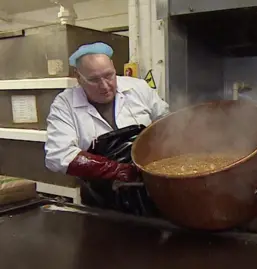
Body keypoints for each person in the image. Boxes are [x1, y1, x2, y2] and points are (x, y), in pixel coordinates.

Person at [44, 42, 169, 215]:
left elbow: (166, 122)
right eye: (94, 80)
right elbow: (58, 155)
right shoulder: (65, 104)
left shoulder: (138, 88)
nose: (104, 86)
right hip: (101, 203)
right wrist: (120, 171)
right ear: (78, 77)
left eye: (109, 76)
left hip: (150, 194)